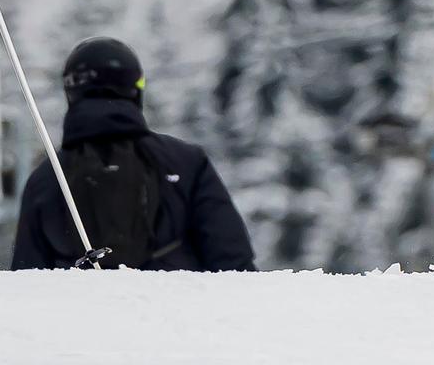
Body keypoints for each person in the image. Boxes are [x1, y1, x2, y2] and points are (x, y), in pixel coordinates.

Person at [13, 37, 255, 271]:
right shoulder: (186, 162)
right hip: (173, 309)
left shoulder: (46, 179)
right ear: (135, 88)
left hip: (81, 311)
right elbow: (234, 264)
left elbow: (27, 286)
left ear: (71, 91)